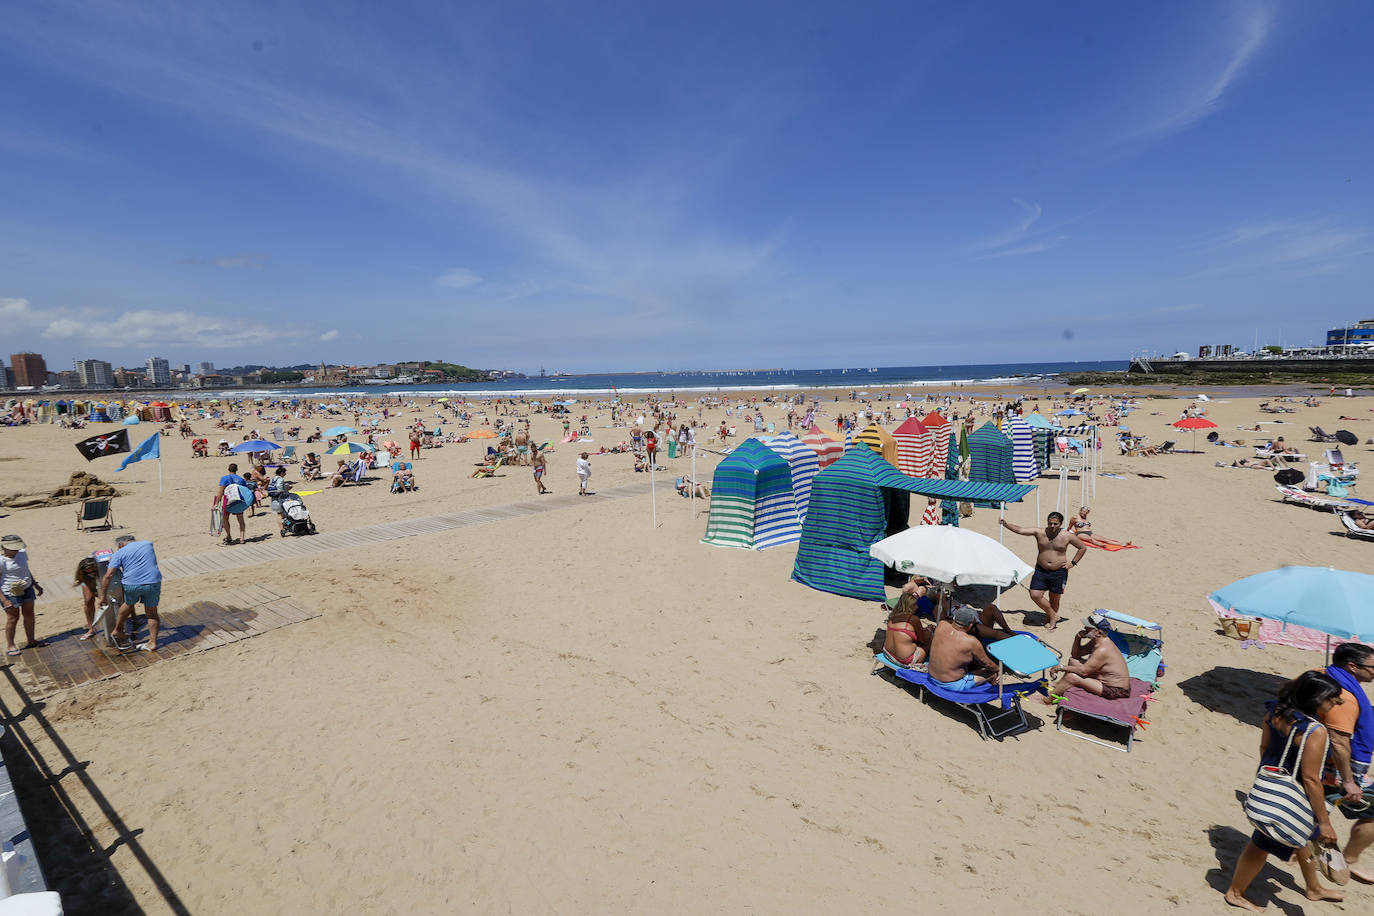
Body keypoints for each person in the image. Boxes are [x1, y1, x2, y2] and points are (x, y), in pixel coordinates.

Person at [1224, 671, 1345, 910]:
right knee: (1261, 844)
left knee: (1302, 836)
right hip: (1295, 794)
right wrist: (1325, 822)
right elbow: (1311, 779)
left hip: (1274, 783)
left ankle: (1313, 887)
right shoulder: (1313, 731)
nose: (1335, 704)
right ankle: (1235, 893)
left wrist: (1270, 778)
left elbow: (1264, 746)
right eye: (1332, 699)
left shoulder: (1276, 711)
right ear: (1315, 698)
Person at [1320, 642, 1374, 885]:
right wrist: (1350, 781)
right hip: (1332, 769)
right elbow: (1340, 743)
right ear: (1353, 667)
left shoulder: (1318, 676)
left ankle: (1294, 852)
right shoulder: (1346, 697)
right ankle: (1351, 859)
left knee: (1316, 808)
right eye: (1373, 667)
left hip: (1308, 761)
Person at [999, 512, 1086, 630]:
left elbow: (1082, 547)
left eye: (1055, 524)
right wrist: (1006, 524)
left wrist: (1073, 563)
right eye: (1050, 523)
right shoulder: (1039, 532)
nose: (1052, 526)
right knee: (1035, 594)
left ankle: (1051, 620)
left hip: (1059, 571)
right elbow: (1021, 530)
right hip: (1041, 570)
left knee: (1054, 598)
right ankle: (1053, 615)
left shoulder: (1067, 536)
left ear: (1060, 524)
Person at [1038, 614, 1131, 704]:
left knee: (1072, 677)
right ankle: (1057, 685)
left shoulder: (1103, 649)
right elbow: (1076, 655)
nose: (1085, 628)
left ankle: (1048, 700)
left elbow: (1084, 672)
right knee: (1073, 661)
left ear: (1098, 632)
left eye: (1088, 627)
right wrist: (1077, 638)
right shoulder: (1097, 640)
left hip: (1115, 689)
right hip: (1103, 676)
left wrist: (1061, 667)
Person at [99, 534, 163, 652]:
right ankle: (153, 642)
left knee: (128, 603)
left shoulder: (118, 553)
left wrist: (102, 596)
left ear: (121, 544)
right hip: (153, 582)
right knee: (152, 613)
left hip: (131, 584)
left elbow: (108, 576)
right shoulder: (147, 544)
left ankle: (118, 629)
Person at [926, 604, 999, 690]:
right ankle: (995, 693)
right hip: (952, 685)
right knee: (992, 673)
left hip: (932, 678)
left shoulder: (941, 625)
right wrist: (998, 668)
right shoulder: (971, 641)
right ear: (970, 625)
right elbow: (988, 664)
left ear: (954, 619)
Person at [0, 534, 46, 657]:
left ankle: (31, 640)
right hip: (10, 591)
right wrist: (4, 600)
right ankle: (10, 645)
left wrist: (35, 584)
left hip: (27, 587)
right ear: (5, 547)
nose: (15, 551)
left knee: (29, 614)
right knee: (13, 618)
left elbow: (26, 569)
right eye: (13, 548)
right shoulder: (1, 560)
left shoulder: (22, 553)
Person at [883, 599, 931, 668]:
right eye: (914, 605)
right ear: (909, 606)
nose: (917, 607)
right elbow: (923, 640)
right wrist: (929, 630)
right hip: (906, 661)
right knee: (930, 637)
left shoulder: (892, 617)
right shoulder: (913, 619)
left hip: (888, 654)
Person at [215, 462, 252, 545]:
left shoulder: (224, 478)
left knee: (225, 519)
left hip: (227, 502)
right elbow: (244, 492)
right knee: (241, 520)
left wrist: (216, 503)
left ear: (228, 469)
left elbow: (220, 492)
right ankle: (242, 538)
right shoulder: (241, 479)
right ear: (237, 470)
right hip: (238, 501)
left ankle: (228, 536)